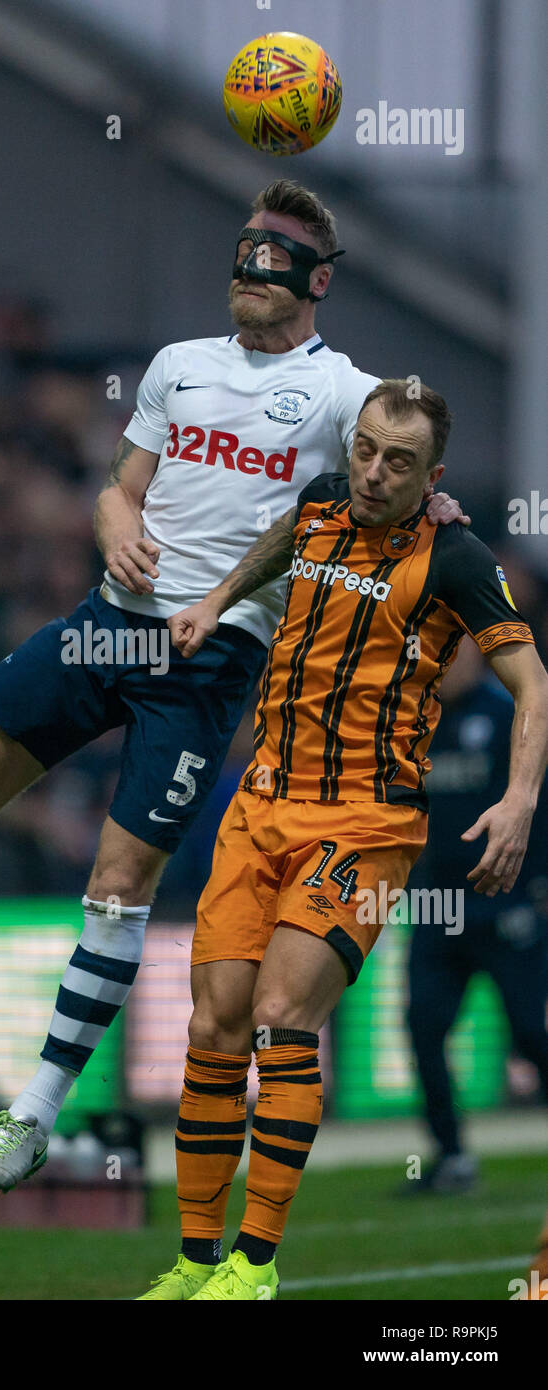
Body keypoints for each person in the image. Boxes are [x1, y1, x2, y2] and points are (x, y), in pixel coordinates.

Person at [0, 182, 464, 1194]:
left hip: (209, 660)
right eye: (244, 255)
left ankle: (30, 1116)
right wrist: (115, 523)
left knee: (118, 884)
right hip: (108, 626)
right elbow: (122, 483)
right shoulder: (177, 367)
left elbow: (404, 457)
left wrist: (431, 499)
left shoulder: (343, 392)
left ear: (316, 281)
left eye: (273, 261)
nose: (250, 275)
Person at [136, 379, 548, 1300]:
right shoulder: (321, 501)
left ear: (431, 475)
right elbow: (284, 539)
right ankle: (193, 1263)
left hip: (367, 824)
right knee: (213, 1028)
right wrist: (216, 597)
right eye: (365, 448)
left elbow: (534, 682)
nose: (372, 471)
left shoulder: (459, 557)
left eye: (398, 462)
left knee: (285, 1016)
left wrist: (520, 799)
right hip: (261, 807)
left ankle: (255, 1265)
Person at [402, 637, 548, 1193]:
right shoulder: (416, 725)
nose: (440, 666)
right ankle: (452, 1157)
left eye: (451, 653)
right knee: (423, 1026)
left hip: (508, 906)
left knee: (531, 1034)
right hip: (440, 909)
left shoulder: (510, 717)